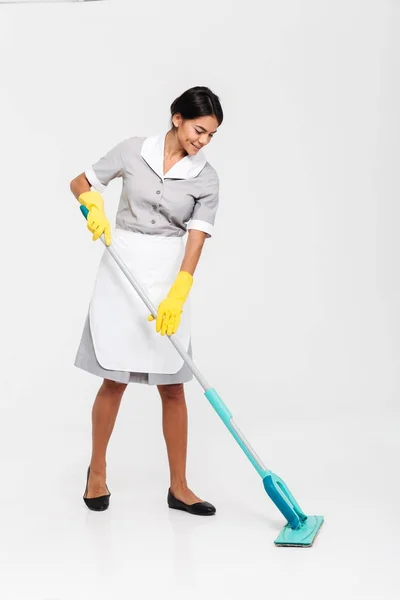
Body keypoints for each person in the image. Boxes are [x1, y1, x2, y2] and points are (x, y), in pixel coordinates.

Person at [69, 86, 223, 515]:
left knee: (174, 385)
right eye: (199, 130)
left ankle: (180, 487)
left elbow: (197, 236)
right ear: (177, 118)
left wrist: (181, 288)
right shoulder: (133, 150)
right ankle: (96, 472)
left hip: (167, 276)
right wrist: (92, 204)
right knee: (113, 379)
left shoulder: (206, 177)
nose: (203, 141)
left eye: (211, 135)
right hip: (122, 270)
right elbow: (80, 181)